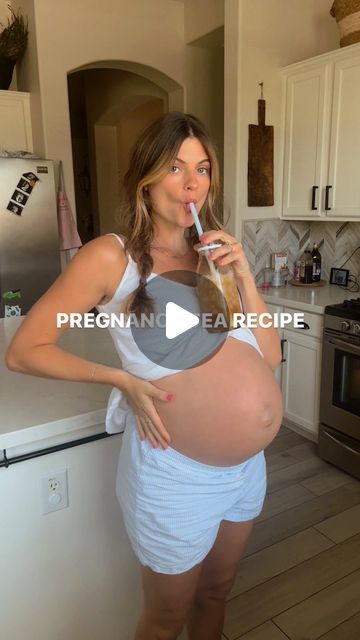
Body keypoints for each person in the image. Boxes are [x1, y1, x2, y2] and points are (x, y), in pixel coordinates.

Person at [5, 112, 283, 640]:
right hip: (175, 476)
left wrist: (243, 276)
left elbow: (266, 358)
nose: (191, 183)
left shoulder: (215, 257)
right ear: (146, 177)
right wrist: (119, 379)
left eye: (201, 169)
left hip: (246, 471)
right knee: (164, 618)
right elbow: (25, 350)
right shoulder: (111, 257)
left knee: (217, 592)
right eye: (175, 167)